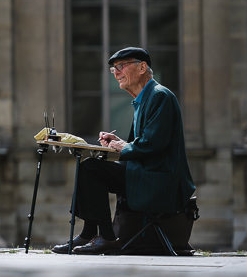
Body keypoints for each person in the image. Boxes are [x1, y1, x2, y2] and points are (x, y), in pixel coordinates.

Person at [52, 47, 195, 255]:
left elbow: (153, 145)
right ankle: (90, 233)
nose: (116, 72)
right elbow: (144, 142)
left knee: (91, 169)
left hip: (161, 179)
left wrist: (123, 147)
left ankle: (106, 238)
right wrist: (120, 142)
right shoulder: (143, 99)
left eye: (121, 66)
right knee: (88, 168)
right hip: (147, 172)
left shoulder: (159, 96)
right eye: (113, 69)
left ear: (142, 67)